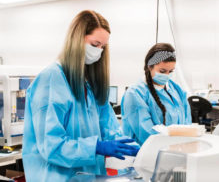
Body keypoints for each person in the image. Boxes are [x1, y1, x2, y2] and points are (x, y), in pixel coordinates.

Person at [22, 10, 139, 182]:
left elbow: (108, 127)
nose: (99, 52)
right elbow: (51, 146)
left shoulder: (89, 83)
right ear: (77, 39)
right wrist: (96, 147)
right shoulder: (51, 79)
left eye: (103, 47)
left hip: (88, 176)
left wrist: (132, 147)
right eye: (95, 44)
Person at [121, 43, 192, 145]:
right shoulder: (135, 93)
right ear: (150, 66)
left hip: (176, 150)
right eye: (162, 71)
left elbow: (187, 125)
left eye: (171, 71)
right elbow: (145, 134)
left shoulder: (177, 90)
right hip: (146, 153)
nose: (167, 76)